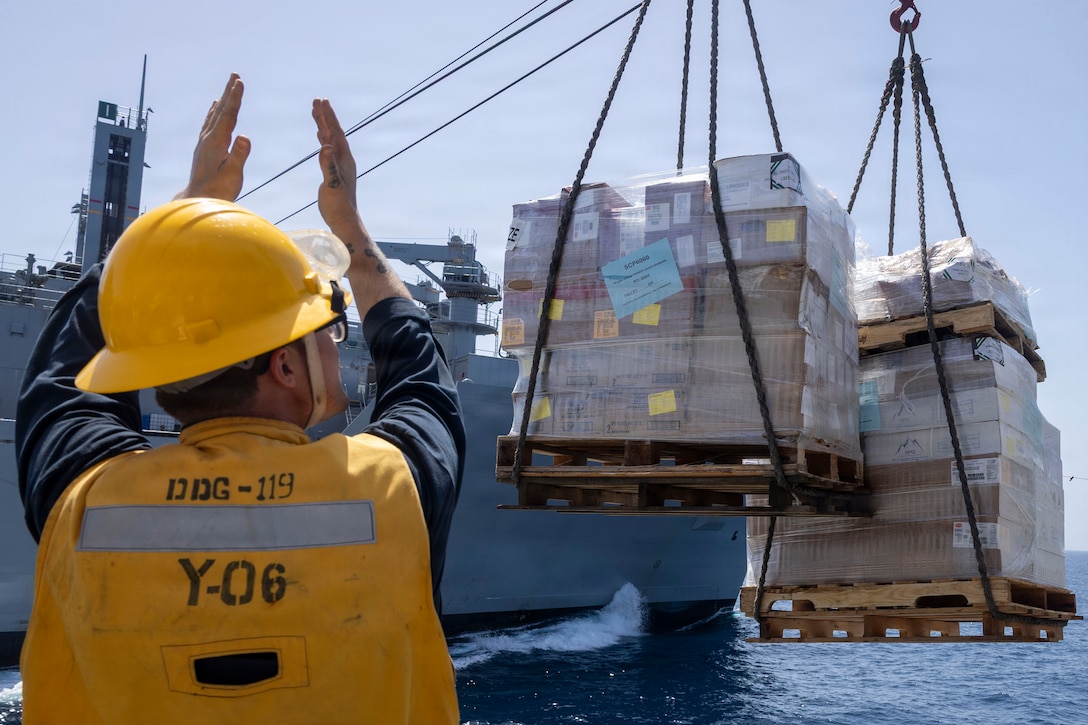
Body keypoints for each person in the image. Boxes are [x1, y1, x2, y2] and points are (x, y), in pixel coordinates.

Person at [15, 73, 465, 723]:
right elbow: (422, 378)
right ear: (285, 365)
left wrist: (185, 217)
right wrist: (349, 226)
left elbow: (61, 373)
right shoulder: (391, 490)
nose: (339, 345)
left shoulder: (80, 500)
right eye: (326, 330)